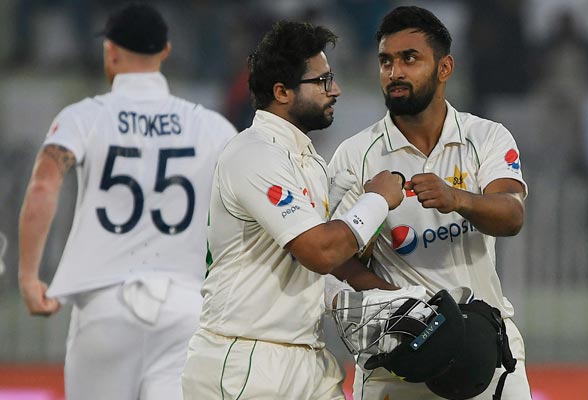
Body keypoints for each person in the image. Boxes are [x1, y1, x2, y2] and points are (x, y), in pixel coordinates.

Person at [17, 3, 237, 400]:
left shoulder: (84, 116)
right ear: (166, 51)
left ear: (111, 51)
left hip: (104, 306)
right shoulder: (212, 126)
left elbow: (42, 186)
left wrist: (29, 278)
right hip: (186, 308)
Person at [180, 20, 404, 400]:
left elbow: (321, 268)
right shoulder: (254, 153)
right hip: (246, 358)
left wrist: (399, 300)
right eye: (322, 82)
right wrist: (378, 200)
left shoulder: (308, 161)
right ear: (281, 92)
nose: (336, 90)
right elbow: (320, 252)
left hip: (306, 357)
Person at [329, 6, 532, 399]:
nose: (395, 73)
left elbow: (512, 215)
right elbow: (337, 257)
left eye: (410, 59)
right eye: (386, 61)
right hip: (398, 356)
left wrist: (457, 198)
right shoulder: (355, 156)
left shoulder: (486, 137)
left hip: (484, 347)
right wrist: (401, 304)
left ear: (444, 68)